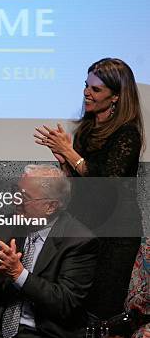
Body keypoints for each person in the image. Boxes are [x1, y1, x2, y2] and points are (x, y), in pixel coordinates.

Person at [34, 57, 144, 319]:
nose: (87, 92)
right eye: (86, 85)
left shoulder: (127, 134)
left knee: (103, 308)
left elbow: (106, 182)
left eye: (96, 89)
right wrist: (64, 162)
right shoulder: (85, 130)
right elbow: (77, 187)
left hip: (115, 232)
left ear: (116, 96)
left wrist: (70, 154)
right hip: (85, 226)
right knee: (76, 305)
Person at [0, 165, 99, 338]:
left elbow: (66, 303)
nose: (15, 200)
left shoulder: (79, 240)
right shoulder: (6, 226)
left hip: (43, 334)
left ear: (51, 207)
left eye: (25, 197)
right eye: (16, 192)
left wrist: (18, 274)